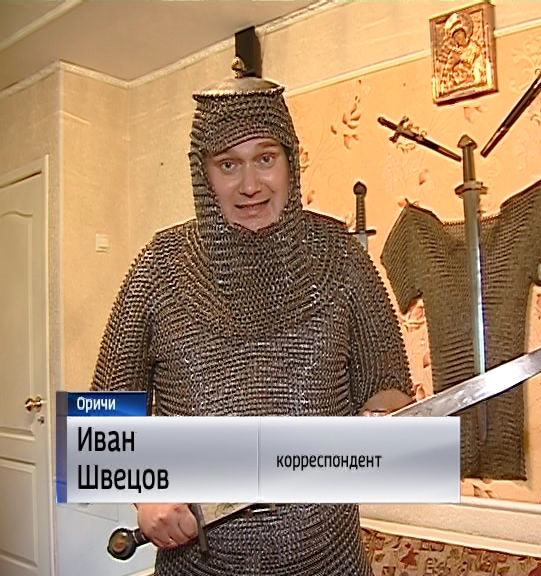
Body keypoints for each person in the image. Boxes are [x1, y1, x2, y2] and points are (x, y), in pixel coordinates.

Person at [91, 58, 413, 576]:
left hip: (325, 557)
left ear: (290, 162)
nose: (249, 185)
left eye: (265, 158)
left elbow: (387, 390)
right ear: (204, 175)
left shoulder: (342, 259)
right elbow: (102, 418)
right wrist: (147, 494)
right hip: (200, 561)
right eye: (228, 164)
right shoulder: (161, 268)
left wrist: (384, 430)